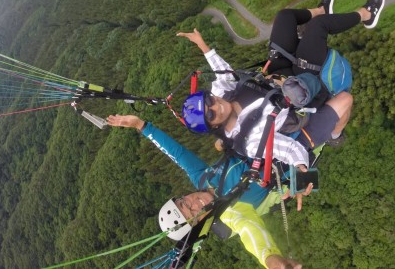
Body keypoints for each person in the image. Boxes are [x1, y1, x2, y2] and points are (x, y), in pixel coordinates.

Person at [176, 0, 385, 163]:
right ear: (214, 126)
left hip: (277, 75)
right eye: (210, 114)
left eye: (209, 100)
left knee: (285, 17)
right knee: (318, 28)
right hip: (300, 90)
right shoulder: (249, 139)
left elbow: (222, 71)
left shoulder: (223, 93)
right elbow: (286, 150)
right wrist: (301, 167)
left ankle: (322, 9)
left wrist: (202, 45)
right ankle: (368, 14)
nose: (215, 105)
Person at [107, 113, 307, 269]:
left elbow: (176, 153)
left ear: (183, 196)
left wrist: (141, 126)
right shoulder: (228, 213)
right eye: (192, 216)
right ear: (199, 224)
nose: (194, 205)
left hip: (271, 135)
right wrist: (272, 261)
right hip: (297, 156)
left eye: (185, 204)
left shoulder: (201, 177)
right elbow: (248, 230)